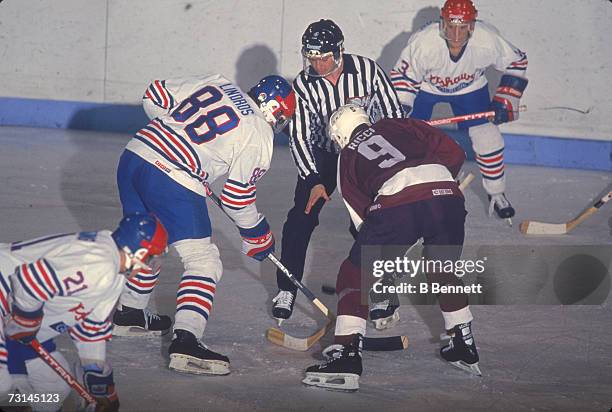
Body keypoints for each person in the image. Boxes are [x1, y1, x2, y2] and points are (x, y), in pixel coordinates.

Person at [113, 73, 295, 375]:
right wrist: (258, 233)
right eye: (284, 116)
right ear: (275, 109)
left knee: (149, 240)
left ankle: (130, 312)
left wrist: (174, 137)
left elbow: (154, 94)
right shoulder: (259, 132)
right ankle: (186, 341)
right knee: (203, 262)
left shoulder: (219, 81)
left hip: (135, 156)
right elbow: (237, 198)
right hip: (173, 179)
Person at [302, 104, 481, 392]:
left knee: (353, 273)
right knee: (442, 270)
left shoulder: (347, 156)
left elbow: (362, 219)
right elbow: (455, 154)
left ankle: (347, 354)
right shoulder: (400, 123)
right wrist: (437, 188)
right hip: (448, 196)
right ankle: (463, 342)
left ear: (338, 136)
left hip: (397, 204)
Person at [273, 18, 404, 326]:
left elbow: (394, 114)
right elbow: (300, 136)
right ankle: (287, 287)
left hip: (362, 153)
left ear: (339, 51)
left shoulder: (368, 70)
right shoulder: (303, 84)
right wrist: (314, 179)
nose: (318, 65)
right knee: (300, 218)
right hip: (323, 154)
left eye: (324, 57)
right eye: (312, 58)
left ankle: (382, 290)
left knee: (370, 221)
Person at [0, 213, 168, 411]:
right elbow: (29, 280)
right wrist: (26, 320)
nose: (149, 266)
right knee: (3, 386)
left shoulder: (113, 271)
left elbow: (90, 327)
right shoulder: (99, 264)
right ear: (139, 253)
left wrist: (95, 375)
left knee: (53, 389)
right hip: (7, 301)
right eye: (151, 259)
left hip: (15, 314)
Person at [390, 0, 528, 223]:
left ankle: (497, 192)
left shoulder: (487, 39)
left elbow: (517, 61)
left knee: (488, 137)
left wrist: (506, 99)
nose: (455, 34)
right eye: (450, 26)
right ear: (442, 23)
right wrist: (403, 109)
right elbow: (404, 78)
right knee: (410, 138)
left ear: (472, 26)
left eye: (462, 27)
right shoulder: (424, 42)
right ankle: (406, 193)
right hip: (426, 87)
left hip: (470, 88)